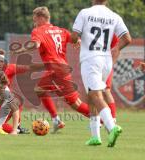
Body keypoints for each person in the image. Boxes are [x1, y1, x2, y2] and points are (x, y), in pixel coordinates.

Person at [11, 6, 91, 133]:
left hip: (56, 70)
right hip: (60, 68)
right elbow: (75, 39)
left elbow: (35, 45)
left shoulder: (38, 31)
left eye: (35, 20)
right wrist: (79, 41)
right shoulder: (61, 30)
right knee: (39, 89)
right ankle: (56, 120)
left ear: (41, 18)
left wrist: (21, 49)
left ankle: (103, 120)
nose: (34, 23)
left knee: (75, 103)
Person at [71, 0, 131, 147]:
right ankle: (95, 137)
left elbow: (74, 36)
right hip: (106, 60)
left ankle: (112, 127)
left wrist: (77, 40)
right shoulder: (114, 16)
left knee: (95, 95)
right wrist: (117, 48)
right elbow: (127, 39)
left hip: (91, 59)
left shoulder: (85, 13)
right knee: (91, 96)